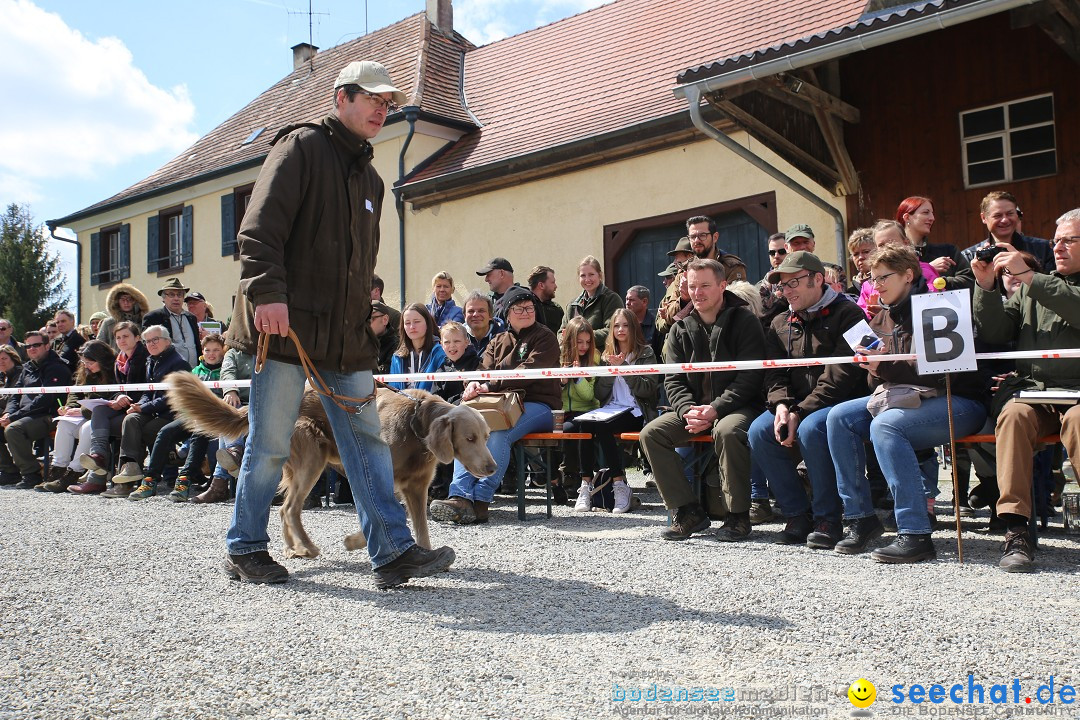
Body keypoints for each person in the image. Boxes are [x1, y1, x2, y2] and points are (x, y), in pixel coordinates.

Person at [223, 59, 454, 586]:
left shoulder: (372, 177)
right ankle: (244, 547)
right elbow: (258, 233)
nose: (382, 108)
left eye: (388, 102)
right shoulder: (299, 147)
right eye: (371, 98)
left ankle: (392, 552)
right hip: (285, 332)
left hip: (343, 340)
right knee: (270, 444)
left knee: (368, 443)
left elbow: (359, 271)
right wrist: (268, 294)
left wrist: (363, 332)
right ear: (340, 98)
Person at [827, 245, 988, 563]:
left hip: (959, 401)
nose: (876, 286)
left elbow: (944, 374)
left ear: (908, 275)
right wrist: (874, 368)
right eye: (872, 279)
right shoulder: (881, 318)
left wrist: (882, 366)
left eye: (884, 277)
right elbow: (879, 382)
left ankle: (915, 533)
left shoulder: (940, 307)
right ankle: (861, 519)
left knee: (886, 425)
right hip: (904, 397)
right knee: (838, 417)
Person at [971, 208, 1080, 573]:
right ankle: (1016, 529)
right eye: (1056, 240)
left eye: (1069, 240)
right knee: (1014, 416)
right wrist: (986, 288)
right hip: (1035, 390)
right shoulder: (1035, 286)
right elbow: (995, 333)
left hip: (1077, 394)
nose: (1059, 247)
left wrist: (1028, 274)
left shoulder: (1038, 282)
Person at [747, 252, 868, 548]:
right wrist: (781, 407)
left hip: (841, 402)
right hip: (796, 405)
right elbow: (773, 374)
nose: (786, 291)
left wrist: (800, 412)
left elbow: (842, 376)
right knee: (759, 432)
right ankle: (796, 514)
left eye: (794, 283)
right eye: (783, 286)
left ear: (818, 279)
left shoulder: (851, 314)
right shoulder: (778, 322)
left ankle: (828, 517)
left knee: (810, 429)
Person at [639, 259, 765, 542]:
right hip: (694, 410)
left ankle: (737, 516)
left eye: (705, 286)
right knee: (651, 434)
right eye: (692, 286)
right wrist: (686, 411)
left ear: (722, 286)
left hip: (737, 408)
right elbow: (672, 380)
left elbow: (750, 378)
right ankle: (687, 510)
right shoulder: (679, 328)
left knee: (727, 430)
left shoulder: (745, 321)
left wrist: (716, 409)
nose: (697, 292)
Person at [429, 287, 560, 525]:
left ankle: (480, 500)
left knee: (500, 429)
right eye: (518, 309)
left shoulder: (545, 337)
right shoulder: (498, 340)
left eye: (529, 308)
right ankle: (460, 497)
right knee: (466, 429)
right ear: (507, 314)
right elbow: (481, 371)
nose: (525, 312)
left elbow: (527, 372)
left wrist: (489, 385)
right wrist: (474, 385)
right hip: (499, 404)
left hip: (539, 404)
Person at [569, 309, 659, 514]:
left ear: (634, 328)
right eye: (617, 326)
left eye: (625, 325)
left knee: (603, 427)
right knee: (584, 424)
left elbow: (648, 389)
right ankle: (585, 485)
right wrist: (611, 369)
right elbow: (600, 394)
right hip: (609, 410)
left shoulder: (646, 353)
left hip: (636, 412)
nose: (620, 330)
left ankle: (619, 485)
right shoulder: (607, 356)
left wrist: (624, 368)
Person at [133, 333, 227, 502]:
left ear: (222, 351)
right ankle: (150, 480)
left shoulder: (226, 371)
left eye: (216, 350)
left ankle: (184, 480)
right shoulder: (194, 372)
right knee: (164, 432)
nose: (211, 354)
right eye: (207, 350)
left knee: (200, 431)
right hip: (192, 415)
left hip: (216, 417)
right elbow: (184, 399)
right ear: (202, 352)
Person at [102, 325, 192, 499]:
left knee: (146, 430)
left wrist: (144, 407)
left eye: (155, 339)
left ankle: (163, 465)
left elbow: (171, 397)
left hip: (172, 414)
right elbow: (148, 391)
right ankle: (131, 467)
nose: (151, 344)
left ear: (167, 341)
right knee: (131, 419)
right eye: (147, 341)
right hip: (154, 410)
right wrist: (139, 406)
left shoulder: (178, 363)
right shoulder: (151, 360)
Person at [72, 321, 150, 494]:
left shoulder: (145, 357)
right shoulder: (119, 360)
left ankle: (98, 477)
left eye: (126, 336)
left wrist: (125, 399)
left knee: (106, 422)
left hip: (141, 408)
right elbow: (116, 390)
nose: (122, 340)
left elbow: (147, 389)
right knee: (100, 411)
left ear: (137, 338)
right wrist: (118, 397)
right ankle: (98, 458)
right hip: (125, 405)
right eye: (118, 337)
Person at [36, 340, 116, 493]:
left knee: (87, 429)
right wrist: (69, 407)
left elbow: (107, 399)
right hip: (82, 414)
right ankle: (58, 469)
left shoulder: (113, 372)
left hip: (101, 417)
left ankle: (73, 472)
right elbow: (75, 392)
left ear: (101, 359)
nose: (86, 366)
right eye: (84, 362)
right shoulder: (84, 371)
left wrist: (82, 410)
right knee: (64, 424)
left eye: (90, 362)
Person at [0, 331, 73, 488]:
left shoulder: (57, 368)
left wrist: (13, 417)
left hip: (48, 416)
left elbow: (45, 400)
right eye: (28, 346)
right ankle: (9, 471)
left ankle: (31, 474)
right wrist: (8, 413)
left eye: (36, 345)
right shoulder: (27, 367)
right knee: (9, 425)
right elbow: (15, 395)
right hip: (25, 415)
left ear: (47, 346)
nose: (31, 348)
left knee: (13, 429)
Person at [428, 321, 482, 501]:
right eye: (447, 342)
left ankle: (452, 487)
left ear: (467, 342)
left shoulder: (476, 364)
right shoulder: (442, 368)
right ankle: (434, 487)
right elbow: (435, 396)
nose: (452, 346)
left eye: (457, 341)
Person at [195, 344, 254, 504]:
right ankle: (233, 452)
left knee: (228, 422)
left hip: (264, 404)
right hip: (240, 404)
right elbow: (227, 373)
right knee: (229, 409)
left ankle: (219, 485)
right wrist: (230, 390)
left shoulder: (271, 351)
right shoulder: (234, 353)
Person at [858, 220, 940, 318]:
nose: (887, 248)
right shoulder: (868, 285)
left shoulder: (924, 272)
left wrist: (888, 312)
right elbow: (859, 318)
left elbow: (933, 302)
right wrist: (872, 315)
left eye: (891, 243)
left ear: (905, 243)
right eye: (881, 245)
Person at [960, 190, 1055, 273]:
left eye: (1010, 214)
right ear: (984, 218)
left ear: (1017, 215)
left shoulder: (1043, 249)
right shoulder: (969, 257)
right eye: (998, 215)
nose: (1005, 220)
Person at [558, 316, 601, 496]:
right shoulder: (558, 357)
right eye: (579, 342)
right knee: (561, 429)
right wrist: (561, 382)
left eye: (587, 342)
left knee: (577, 428)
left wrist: (577, 377)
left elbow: (589, 395)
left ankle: (583, 477)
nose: (584, 346)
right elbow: (553, 392)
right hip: (563, 411)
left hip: (588, 411)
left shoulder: (594, 357)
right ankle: (558, 476)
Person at [895, 196, 971, 289]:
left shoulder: (949, 251)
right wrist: (929, 268)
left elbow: (970, 281)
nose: (932, 218)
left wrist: (942, 282)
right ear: (907, 217)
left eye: (932, 213)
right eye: (925, 212)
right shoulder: (896, 255)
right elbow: (893, 285)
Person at [563, 255, 622, 349]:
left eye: (591, 274)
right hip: (575, 360)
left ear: (600, 275)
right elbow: (562, 332)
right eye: (583, 275)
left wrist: (580, 337)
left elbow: (611, 330)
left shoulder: (611, 299)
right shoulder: (572, 305)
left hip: (602, 360)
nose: (587, 279)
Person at [389, 303, 446, 392]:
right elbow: (393, 390)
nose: (412, 327)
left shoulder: (440, 353)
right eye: (407, 323)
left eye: (417, 321)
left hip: (430, 404)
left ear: (427, 323)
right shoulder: (397, 357)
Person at [144, 278, 201, 367]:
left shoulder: (191, 318)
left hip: (194, 371)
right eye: (171, 295)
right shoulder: (154, 317)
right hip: (168, 371)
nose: (176, 298)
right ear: (163, 298)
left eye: (180, 295)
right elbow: (147, 346)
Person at [96, 283, 150, 351]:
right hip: (115, 360)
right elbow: (99, 346)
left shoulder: (144, 321)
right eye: (123, 299)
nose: (126, 302)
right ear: (117, 302)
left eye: (129, 299)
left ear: (135, 301)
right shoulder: (109, 323)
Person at [757, 232, 788, 317]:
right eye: (772, 252)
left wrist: (773, 296)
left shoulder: (797, 275)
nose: (776, 256)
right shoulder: (767, 278)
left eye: (782, 251)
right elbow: (760, 304)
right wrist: (777, 295)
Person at [462, 290, 503, 355]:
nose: (475, 314)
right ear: (464, 316)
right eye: (471, 311)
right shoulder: (458, 336)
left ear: (490, 315)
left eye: (481, 311)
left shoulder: (503, 339)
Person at [528, 265, 563, 335]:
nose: (556, 286)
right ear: (541, 285)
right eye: (553, 282)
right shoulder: (526, 308)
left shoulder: (556, 310)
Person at [369, 300, 399, 374]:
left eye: (370, 319)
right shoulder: (358, 343)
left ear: (385, 320)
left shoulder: (396, 345)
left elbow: (385, 374)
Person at [846, 228, 875, 295]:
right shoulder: (851, 292)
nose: (860, 257)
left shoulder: (886, 283)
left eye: (866, 252)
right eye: (856, 254)